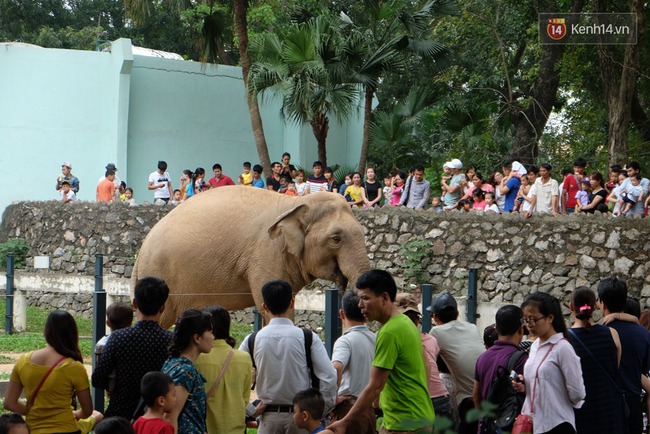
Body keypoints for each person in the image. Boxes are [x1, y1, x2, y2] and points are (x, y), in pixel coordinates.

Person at [328, 270, 434, 434]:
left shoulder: (389, 332)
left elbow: (375, 387)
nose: (360, 305)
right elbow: (426, 366)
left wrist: (345, 422)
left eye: (365, 298)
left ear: (384, 298)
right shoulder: (405, 322)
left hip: (403, 424)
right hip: (419, 417)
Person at [239, 279, 337, 434]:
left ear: (264, 307)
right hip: (303, 419)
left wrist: (249, 411)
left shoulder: (252, 340)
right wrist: (318, 411)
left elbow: (235, 377)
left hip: (267, 420)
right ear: (292, 303)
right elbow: (329, 377)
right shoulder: (308, 338)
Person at [92, 276, 174, 420]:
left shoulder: (118, 338)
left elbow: (98, 379)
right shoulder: (171, 341)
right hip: (155, 419)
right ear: (163, 307)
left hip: (119, 418)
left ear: (134, 303)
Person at [5, 311, 93, 433]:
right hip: (67, 429)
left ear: (46, 331)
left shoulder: (23, 361)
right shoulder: (75, 367)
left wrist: (35, 411)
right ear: (73, 334)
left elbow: (9, 403)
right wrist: (76, 414)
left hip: (35, 429)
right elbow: (88, 410)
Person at [513, 292, 585, 434]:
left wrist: (555, 400)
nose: (529, 325)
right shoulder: (534, 346)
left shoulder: (563, 348)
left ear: (550, 318)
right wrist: (524, 386)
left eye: (533, 319)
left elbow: (577, 393)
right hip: (533, 424)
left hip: (556, 424)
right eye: (526, 320)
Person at [567, 286, 625, 434]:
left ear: (571, 307)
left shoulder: (566, 341)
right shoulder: (612, 333)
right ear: (595, 306)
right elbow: (615, 368)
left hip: (583, 412)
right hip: (611, 409)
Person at [598, 276, 650, 434]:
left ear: (602, 303)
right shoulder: (643, 334)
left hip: (606, 408)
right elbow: (643, 371)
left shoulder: (599, 334)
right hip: (633, 407)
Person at [428, 292, 484, 434]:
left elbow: (427, 360)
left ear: (435, 317)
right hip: (488, 391)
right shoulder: (472, 327)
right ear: (458, 312)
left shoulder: (436, 332)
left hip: (468, 399)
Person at [395, 293, 454, 422]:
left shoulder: (395, 340)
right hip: (442, 397)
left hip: (418, 399)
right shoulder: (431, 339)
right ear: (417, 320)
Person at [195, 306, 252, 434]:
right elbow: (244, 399)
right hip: (235, 429)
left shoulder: (196, 358)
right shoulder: (244, 358)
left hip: (204, 429)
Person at [473, 305, 527, 434]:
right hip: (510, 427)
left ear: (496, 328)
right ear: (521, 329)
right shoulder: (521, 359)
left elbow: (476, 396)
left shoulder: (482, 358)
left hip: (487, 427)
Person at [329, 291, 376, 434]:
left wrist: (333, 397)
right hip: (369, 409)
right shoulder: (376, 339)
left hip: (348, 410)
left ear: (341, 314)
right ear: (366, 314)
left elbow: (336, 367)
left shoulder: (345, 340)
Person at [162, 309, 213, 434]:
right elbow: (169, 417)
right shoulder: (184, 371)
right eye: (210, 332)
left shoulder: (173, 362)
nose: (213, 337)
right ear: (197, 338)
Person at [94, 301, 134, 395]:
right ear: (131, 322)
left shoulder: (101, 344)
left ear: (107, 323)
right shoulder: (134, 341)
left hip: (112, 387)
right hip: (131, 386)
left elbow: (100, 369)